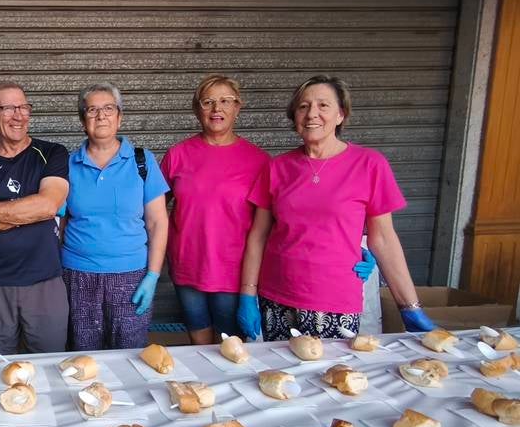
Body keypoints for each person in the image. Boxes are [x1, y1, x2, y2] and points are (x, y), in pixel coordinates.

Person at [236, 75, 435, 341]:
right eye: (303, 106)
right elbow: (258, 235)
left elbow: (384, 239)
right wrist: (248, 294)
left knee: (332, 378)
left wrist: (409, 305)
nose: (311, 114)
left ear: (341, 114)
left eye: (323, 106)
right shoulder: (277, 167)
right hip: (277, 298)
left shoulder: (369, 165)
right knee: (281, 378)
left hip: (334, 300)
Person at [159, 74, 269, 344]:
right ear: (197, 109)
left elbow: (269, 226)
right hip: (187, 269)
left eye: (225, 101)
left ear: (237, 107)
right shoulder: (178, 155)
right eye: (208, 102)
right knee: (199, 346)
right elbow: (155, 212)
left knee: (231, 349)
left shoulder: (259, 161)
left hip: (233, 274)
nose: (216, 108)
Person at [0, 82, 69, 355]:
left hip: (44, 280)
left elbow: (47, 204)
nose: (18, 115)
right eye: (8, 108)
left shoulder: (52, 153)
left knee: (50, 363)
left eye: (23, 107)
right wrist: (35, 211)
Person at [61, 83, 168, 350]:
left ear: (119, 116)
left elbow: (157, 222)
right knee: (83, 356)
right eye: (92, 110)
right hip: (77, 275)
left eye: (108, 108)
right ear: (82, 119)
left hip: (130, 275)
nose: (101, 116)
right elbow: (59, 224)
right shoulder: (66, 165)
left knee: (129, 355)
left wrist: (153, 275)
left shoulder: (143, 161)